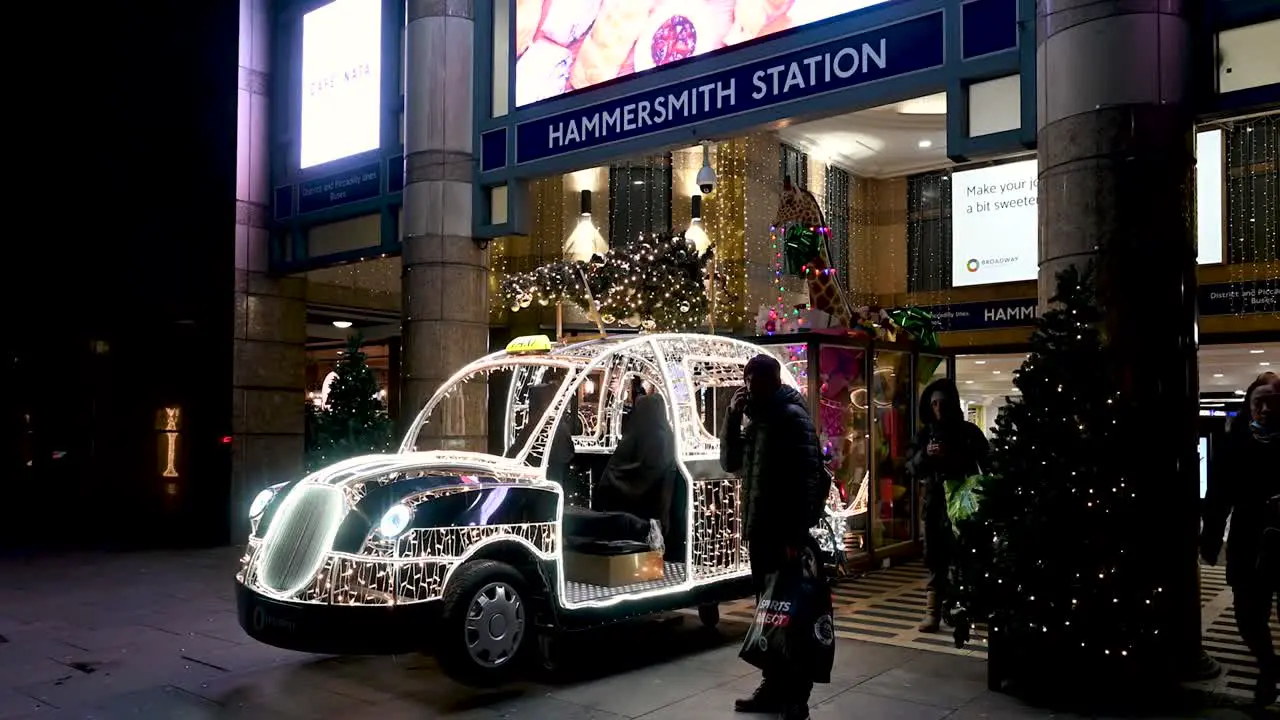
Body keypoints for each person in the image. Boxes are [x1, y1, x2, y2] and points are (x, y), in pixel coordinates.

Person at [720, 353, 825, 720]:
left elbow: (808, 478)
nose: (749, 387)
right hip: (760, 531)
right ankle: (773, 685)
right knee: (770, 615)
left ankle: (796, 695)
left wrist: (797, 532)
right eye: (746, 380)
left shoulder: (790, 417)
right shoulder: (758, 416)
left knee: (792, 615)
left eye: (755, 380)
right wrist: (732, 417)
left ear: (773, 381)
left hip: (784, 534)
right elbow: (730, 462)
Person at [1202, 374, 1280, 707]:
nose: (1264, 409)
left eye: (1272, 402)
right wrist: (1209, 540)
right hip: (1249, 541)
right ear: (1249, 406)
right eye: (1257, 402)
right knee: (1247, 614)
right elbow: (1218, 497)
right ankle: (1268, 665)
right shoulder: (1234, 444)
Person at [906, 378, 990, 634]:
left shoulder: (968, 432)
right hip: (935, 505)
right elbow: (910, 467)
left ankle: (972, 609)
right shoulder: (924, 435)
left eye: (943, 403)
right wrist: (926, 455)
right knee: (935, 559)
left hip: (963, 503)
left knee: (967, 557)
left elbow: (985, 462)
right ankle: (932, 613)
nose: (939, 408)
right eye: (934, 404)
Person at [595, 394, 678, 543]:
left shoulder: (637, 434)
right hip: (654, 509)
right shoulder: (666, 436)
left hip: (629, 511)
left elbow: (616, 469)